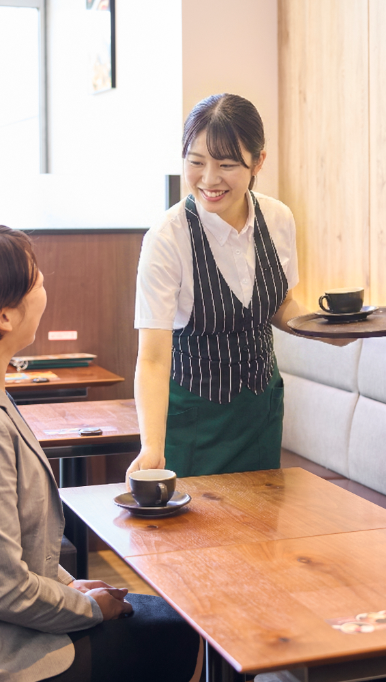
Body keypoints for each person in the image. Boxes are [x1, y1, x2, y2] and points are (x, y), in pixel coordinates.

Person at [0, 225, 199, 682]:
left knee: (161, 616)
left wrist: (70, 585)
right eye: (35, 281)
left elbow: (1, 549)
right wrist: (87, 609)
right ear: (4, 318)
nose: (43, 288)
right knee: (178, 629)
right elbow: (0, 591)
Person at [129, 93, 343, 480]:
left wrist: (327, 330)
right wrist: (151, 447)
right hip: (193, 417)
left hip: (260, 411)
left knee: (260, 534)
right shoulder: (167, 236)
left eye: (226, 164)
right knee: (194, 537)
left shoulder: (278, 218)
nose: (209, 179)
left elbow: (280, 305)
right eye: (196, 162)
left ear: (258, 161)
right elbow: (153, 359)